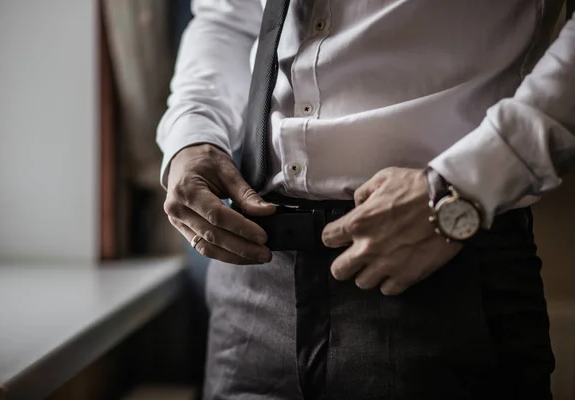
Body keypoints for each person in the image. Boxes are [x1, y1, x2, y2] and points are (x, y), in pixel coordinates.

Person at [158, 1, 575, 399]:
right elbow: (228, 20)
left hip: (440, 273)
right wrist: (192, 136)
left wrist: (467, 184)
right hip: (249, 290)